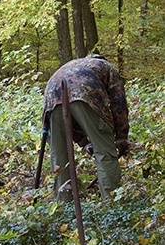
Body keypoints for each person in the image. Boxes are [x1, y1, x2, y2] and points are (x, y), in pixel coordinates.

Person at [43, 54, 129, 200]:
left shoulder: (72, 64)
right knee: (105, 153)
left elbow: (71, 120)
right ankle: (112, 204)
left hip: (52, 96)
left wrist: (84, 143)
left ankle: (63, 204)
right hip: (85, 92)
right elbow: (118, 103)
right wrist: (121, 137)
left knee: (59, 156)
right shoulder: (108, 68)